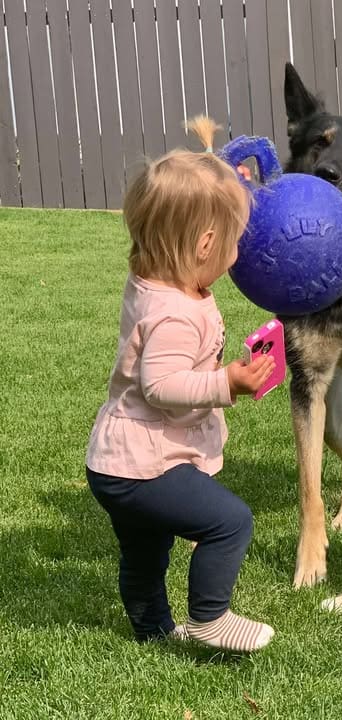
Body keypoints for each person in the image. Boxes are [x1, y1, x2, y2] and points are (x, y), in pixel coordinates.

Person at [86, 118, 276, 652]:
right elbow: (162, 386)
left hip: (116, 461)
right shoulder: (173, 313)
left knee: (146, 550)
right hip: (142, 467)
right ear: (205, 244)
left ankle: (151, 633)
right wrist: (225, 383)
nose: (238, 252)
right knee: (229, 522)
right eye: (234, 241)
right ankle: (210, 619)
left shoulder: (160, 277)